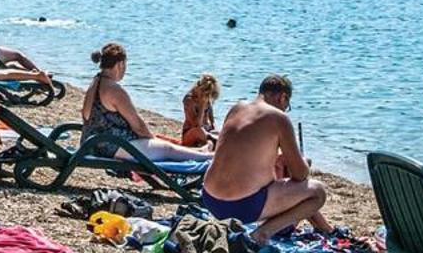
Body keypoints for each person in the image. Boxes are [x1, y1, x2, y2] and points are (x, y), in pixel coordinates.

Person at [200, 75, 332, 238]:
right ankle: (263, 233)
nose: (285, 109)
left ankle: (323, 226)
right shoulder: (279, 118)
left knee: (278, 173)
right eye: (287, 105)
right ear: (282, 97)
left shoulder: (237, 108)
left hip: (211, 199)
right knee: (317, 192)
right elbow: (300, 174)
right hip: (240, 206)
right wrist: (304, 162)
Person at [80, 44, 212, 164]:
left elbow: (85, 115)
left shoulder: (96, 82)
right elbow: (138, 126)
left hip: (92, 143)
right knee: (166, 149)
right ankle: (207, 157)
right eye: (125, 65)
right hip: (112, 146)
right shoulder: (114, 90)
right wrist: (152, 139)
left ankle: (200, 152)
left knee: (161, 144)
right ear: (120, 64)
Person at [179, 75, 221, 149]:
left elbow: (212, 121)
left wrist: (215, 129)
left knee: (220, 132)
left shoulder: (207, 99)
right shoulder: (189, 100)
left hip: (206, 131)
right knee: (199, 131)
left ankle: (211, 143)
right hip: (191, 132)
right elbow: (196, 124)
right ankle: (211, 143)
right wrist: (202, 106)